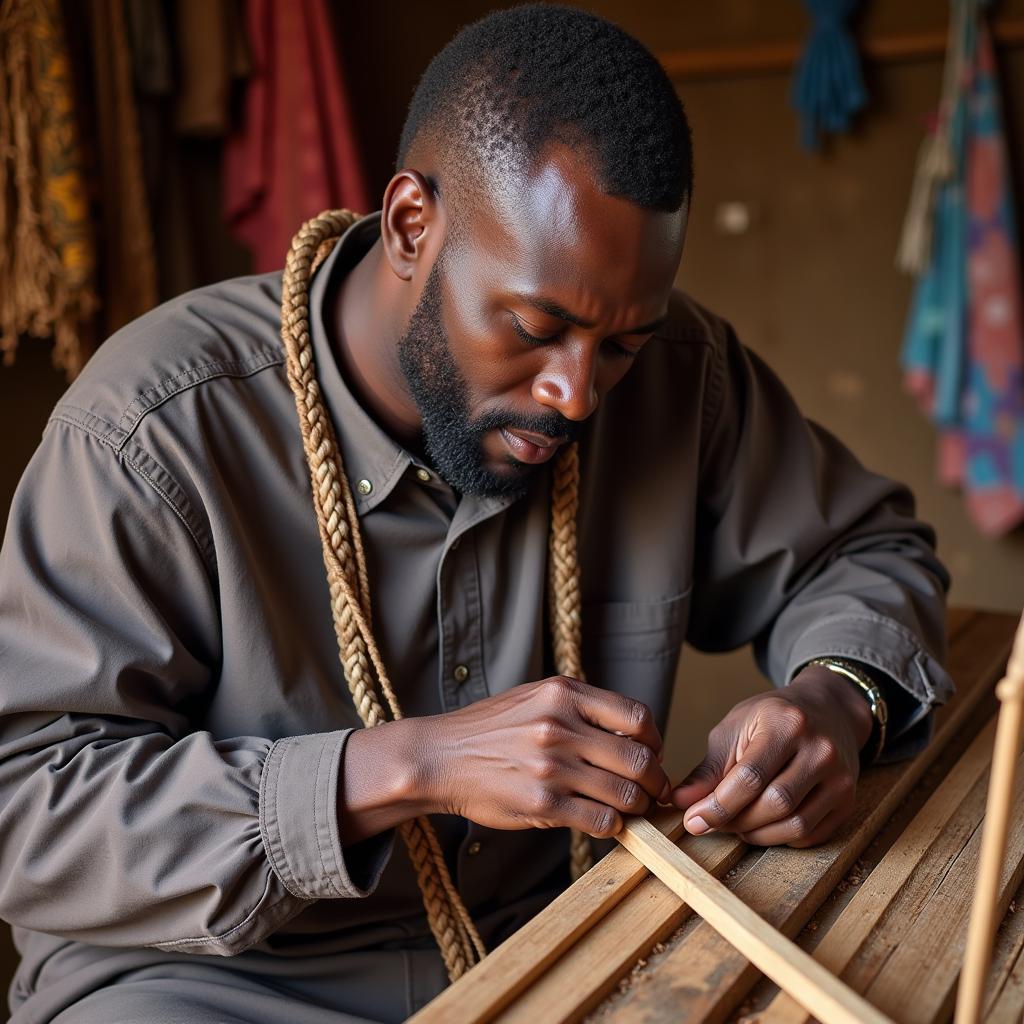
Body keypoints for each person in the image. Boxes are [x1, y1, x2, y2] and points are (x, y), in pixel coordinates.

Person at [0, 6, 952, 1023]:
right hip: (212, 984)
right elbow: (26, 811)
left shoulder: (678, 379)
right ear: (413, 225)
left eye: (622, 343)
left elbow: (864, 552)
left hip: (563, 940)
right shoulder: (153, 429)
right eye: (538, 327)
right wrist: (405, 766)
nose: (579, 394)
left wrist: (836, 701)